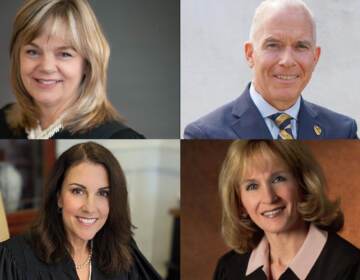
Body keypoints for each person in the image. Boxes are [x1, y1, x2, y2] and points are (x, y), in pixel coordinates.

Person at [184, 0, 358, 139]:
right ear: (250, 54)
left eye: (301, 46)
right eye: (273, 45)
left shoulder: (342, 132)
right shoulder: (204, 136)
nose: (287, 61)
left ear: (315, 57)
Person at [0, 142, 161, 279]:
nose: (90, 208)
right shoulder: (14, 258)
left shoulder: (122, 250)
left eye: (103, 193)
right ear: (58, 197)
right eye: (78, 191)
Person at [214, 140, 360, 279]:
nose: (269, 198)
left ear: (303, 183)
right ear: (240, 204)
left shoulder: (350, 268)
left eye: (278, 179)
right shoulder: (229, 269)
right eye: (252, 186)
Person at [0, 0, 144, 139]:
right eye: (33, 52)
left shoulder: (118, 137)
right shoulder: (3, 120)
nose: (46, 67)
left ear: (87, 65)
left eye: (64, 54)